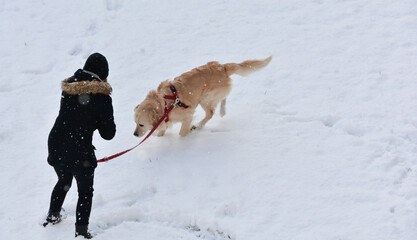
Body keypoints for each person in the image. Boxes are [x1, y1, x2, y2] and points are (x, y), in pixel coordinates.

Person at [44, 53, 116, 239]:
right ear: (104, 74)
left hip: (56, 144)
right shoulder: (102, 98)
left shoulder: (68, 88)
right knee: (85, 191)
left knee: (63, 180)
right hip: (79, 151)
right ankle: (81, 232)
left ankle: (52, 215)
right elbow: (108, 134)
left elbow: (75, 116)